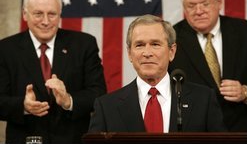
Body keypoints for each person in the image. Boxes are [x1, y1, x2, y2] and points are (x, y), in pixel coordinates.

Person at [0, 0, 106, 144]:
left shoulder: (84, 44)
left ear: (60, 14)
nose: (45, 21)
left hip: (73, 143)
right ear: (25, 14)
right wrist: (23, 105)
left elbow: (99, 94)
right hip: (24, 143)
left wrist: (69, 100)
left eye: (52, 14)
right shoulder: (6, 49)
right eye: (38, 14)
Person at [88, 14, 226, 133]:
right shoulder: (106, 107)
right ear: (129, 53)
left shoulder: (203, 99)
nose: (147, 53)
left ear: (171, 52)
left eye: (155, 44)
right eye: (139, 45)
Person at [168, 0, 247, 132]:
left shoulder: (246, 32)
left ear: (219, 2)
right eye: (191, 5)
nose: (198, 11)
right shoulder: (171, 39)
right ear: (184, 7)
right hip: (195, 134)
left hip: (244, 131)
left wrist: (246, 92)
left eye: (205, 4)